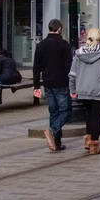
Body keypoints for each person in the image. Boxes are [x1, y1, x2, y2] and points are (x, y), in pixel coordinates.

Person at [69, 27, 100, 155]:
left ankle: (88, 140)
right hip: (99, 91)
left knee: (89, 116)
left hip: (83, 91)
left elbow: (72, 74)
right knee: (97, 117)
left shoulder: (79, 54)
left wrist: (72, 89)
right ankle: (94, 145)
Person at [33, 19, 73, 153]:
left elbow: (36, 67)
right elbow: (69, 66)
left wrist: (36, 86)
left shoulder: (41, 45)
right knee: (66, 111)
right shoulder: (64, 45)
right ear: (59, 29)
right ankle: (52, 131)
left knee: (54, 112)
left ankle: (56, 143)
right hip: (61, 82)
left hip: (47, 82)